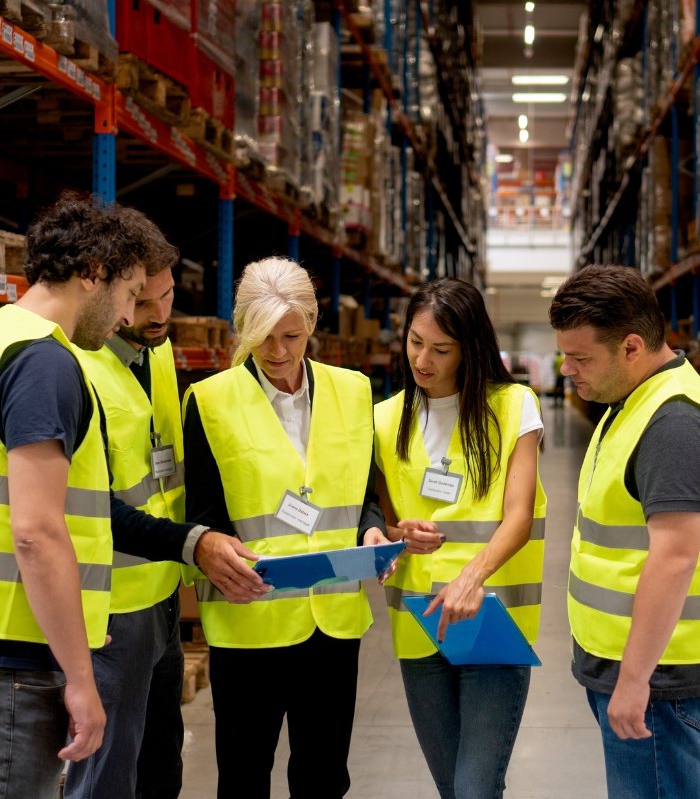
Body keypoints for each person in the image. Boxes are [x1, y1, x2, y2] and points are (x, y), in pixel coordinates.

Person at [183, 256, 390, 799]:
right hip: (250, 620)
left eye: (291, 336)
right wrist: (216, 553)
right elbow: (202, 517)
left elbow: (363, 495)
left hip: (334, 620)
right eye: (264, 337)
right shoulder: (210, 400)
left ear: (312, 325)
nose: (278, 352)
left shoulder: (354, 391)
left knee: (324, 776)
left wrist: (371, 530)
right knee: (245, 774)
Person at [65, 256, 267, 799]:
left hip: (161, 595)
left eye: (168, 296)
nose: (158, 314)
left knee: (160, 766)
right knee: (108, 773)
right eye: (142, 300)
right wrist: (191, 543)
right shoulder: (76, 368)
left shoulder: (157, 353)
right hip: (110, 605)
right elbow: (84, 504)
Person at [373, 277, 547, 799]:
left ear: (469, 348)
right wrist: (397, 533)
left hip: (491, 620)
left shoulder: (515, 406)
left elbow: (518, 515)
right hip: (418, 624)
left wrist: (472, 577)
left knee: (474, 788)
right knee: (453, 787)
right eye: (415, 342)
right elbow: (384, 519)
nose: (422, 360)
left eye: (441, 349)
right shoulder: (384, 420)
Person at [0, 194, 148, 798]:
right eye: (132, 292)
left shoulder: (7, 334)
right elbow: (36, 531)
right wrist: (81, 679)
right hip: (18, 661)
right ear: (93, 273)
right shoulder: (45, 363)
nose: (130, 316)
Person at [549, 264, 700, 799]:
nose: (567, 369)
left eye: (581, 357)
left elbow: (676, 556)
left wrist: (634, 681)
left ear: (632, 347)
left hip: (660, 683)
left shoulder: (671, 422)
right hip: (634, 667)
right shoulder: (629, 403)